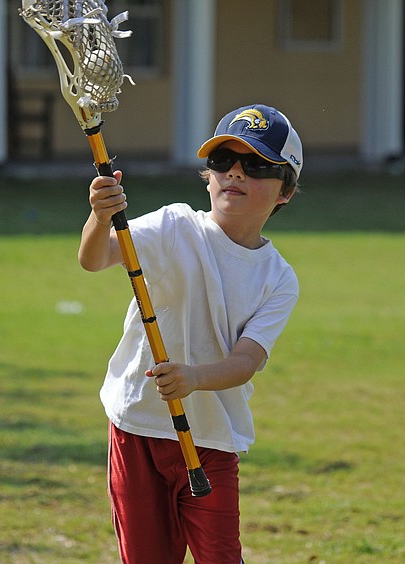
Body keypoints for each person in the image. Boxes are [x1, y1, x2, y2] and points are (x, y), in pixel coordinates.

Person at [78, 103, 302, 563]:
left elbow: (246, 361)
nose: (235, 173)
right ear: (207, 176)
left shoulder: (278, 279)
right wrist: (101, 217)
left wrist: (195, 378)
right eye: (223, 162)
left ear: (286, 192)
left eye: (256, 165)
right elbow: (95, 258)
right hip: (137, 427)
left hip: (213, 439)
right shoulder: (173, 226)